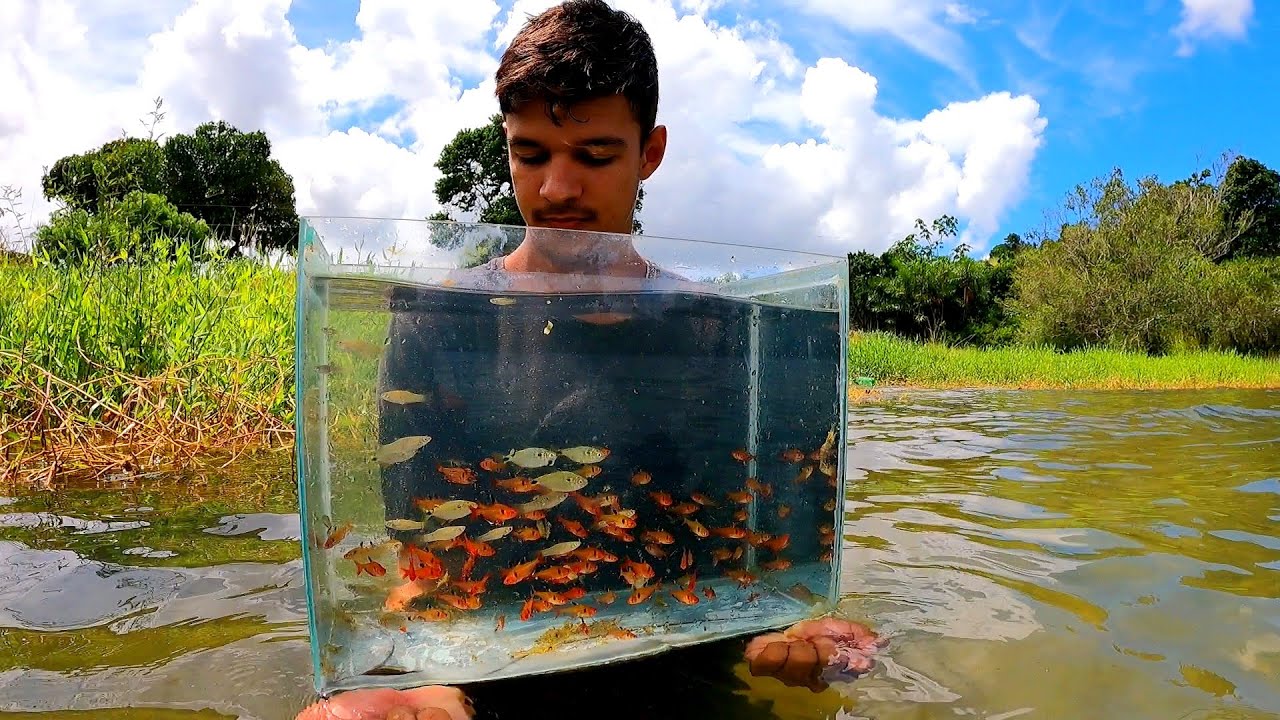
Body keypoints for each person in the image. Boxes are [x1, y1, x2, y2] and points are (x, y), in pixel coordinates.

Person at [297, 2, 881, 718]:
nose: (557, 189)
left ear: (650, 152)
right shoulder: (436, 323)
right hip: (497, 678)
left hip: (692, 668)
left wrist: (794, 626)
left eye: (595, 156)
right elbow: (425, 567)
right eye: (531, 155)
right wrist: (417, 681)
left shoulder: (729, 333)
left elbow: (762, 558)